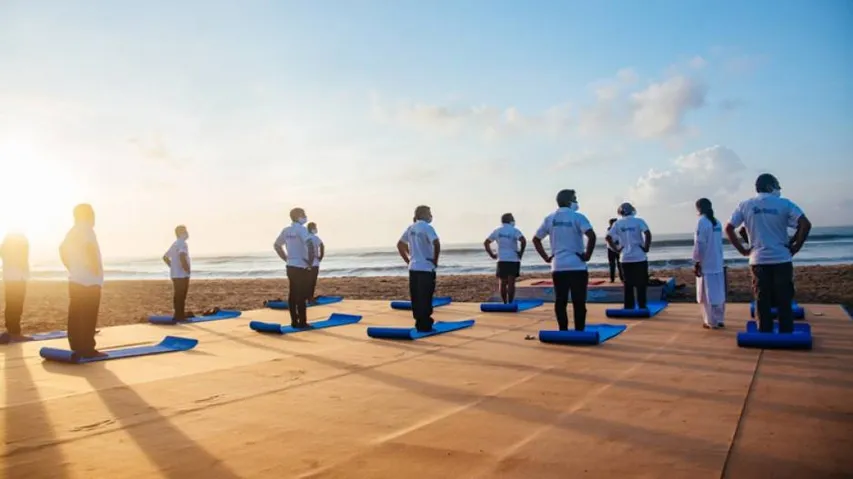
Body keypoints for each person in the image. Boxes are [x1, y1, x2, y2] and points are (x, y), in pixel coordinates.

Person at [725, 173, 811, 334]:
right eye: (777, 185)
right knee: (784, 298)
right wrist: (795, 245)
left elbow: (730, 228)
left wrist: (744, 249)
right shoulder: (784, 204)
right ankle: (786, 331)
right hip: (782, 258)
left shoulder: (745, 205)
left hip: (758, 260)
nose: (779, 189)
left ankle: (764, 330)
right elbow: (805, 224)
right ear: (770, 186)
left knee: (762, 298)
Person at [532, 189, 596, 331]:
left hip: (558, 266)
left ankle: (563, 330)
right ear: (568, 201)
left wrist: (546, 257)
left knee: (560, 301)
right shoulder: (578, 217)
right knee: (579, 301)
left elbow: (536, 239)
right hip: (577, 266)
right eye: (575, 198)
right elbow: (592, 236)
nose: (576, 201)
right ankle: (579, 330)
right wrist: (587, 256)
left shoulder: (550, 218)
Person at [59, 204, 105, 358]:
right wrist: (95, 269)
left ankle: (76, 345)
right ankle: (87, 348)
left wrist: (71, 266)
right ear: (88, 215)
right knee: (88, 314)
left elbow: (62, 249)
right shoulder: (87, 230)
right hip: (89, 280)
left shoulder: (72, 231)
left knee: (76, 313)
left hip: (76, 278)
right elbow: (90, 248)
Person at [397, 205, 440, 332]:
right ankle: (426, 324)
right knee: (425, 296)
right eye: (429, 213)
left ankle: (419, 323)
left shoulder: (411, 228)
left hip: (414, 267)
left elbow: (400, 245)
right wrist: (435, 260)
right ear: (424, 214)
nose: (431, 215)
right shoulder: (427, 227)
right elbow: (436, 243)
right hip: (426, 267)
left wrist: (408, 260)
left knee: (416, 296)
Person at [274, 208, 316, 329]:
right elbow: (310, 244)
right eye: (303, 214)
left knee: (293, 293)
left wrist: (286, 258)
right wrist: (310, 261)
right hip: (301, 266)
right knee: (301, 294)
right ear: (298, 216)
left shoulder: (286, 230)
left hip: (291, 266)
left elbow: (277, 245)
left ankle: (294, 321)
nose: (305, 216)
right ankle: (302, 322)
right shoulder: (302, 230)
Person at [606, 203, 652, 310]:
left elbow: (608, 237)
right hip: (639, 256)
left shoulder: (617, 223)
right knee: (641, 282)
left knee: (628, 283)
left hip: (625, 257)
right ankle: (642, 305)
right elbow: (647, 233)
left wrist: (616, 249)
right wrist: (646, 247)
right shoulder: (639, 221)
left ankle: (629, 305)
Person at [692, 199, 726, 329]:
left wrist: (697, 261)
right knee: (718, 293)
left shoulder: (702, 222)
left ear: (699, 208)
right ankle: (720, 319)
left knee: (706, 295)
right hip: (717, 262)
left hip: (707, 263)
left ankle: (710, 321)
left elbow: (700, 244)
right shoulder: (717, 222)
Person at [484, 213, 526, 304]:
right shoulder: (514, 230)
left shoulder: (497, 231)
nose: (514, 220)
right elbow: (523, 240)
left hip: (501, 259)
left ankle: (504, 303)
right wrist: (521, 253)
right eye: (512, 219)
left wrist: (491, 254)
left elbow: (486, 243)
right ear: (509, 220)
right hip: (513, 259)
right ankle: (510, 302)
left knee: (502, 282)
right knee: (511, 282)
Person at [1, 233, 30, 341]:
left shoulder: (6, 250)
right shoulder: (13, 251)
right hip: (16, 279)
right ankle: (14, 332)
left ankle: (13, 331)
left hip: (13, 278)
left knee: (13, 306)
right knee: (15, 306)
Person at [163, 225, 191, 321]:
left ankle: (178, 314)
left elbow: (165, 257)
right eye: (185, 231)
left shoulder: (175, 244)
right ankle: (180, 316)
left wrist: (172, 267)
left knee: (177, 295)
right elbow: (182, 255)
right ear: (181, 233)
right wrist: (186, 268)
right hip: (182, 275)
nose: (187, 233)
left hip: (175, 274)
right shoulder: (182, 243)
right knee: (182, 295)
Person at [306, 222, 325, 303]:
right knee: (312, 281)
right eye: (315, 227)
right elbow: (322, 246)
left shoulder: (304, 237)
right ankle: (310, 298)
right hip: (314, 263)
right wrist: (321, 256)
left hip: (305, 263)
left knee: (306, 281)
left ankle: (307, 297)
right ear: (312, 229)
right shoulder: (315, 238)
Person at [606, 218, 623, 283]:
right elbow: (608, 238)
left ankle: (622, 278)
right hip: (611, 249)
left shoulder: (619, 229)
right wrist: (614, 243)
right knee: (612, 265)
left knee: (619, 264)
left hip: (618, 248)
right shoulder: (609, 230)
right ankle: (612, 279)